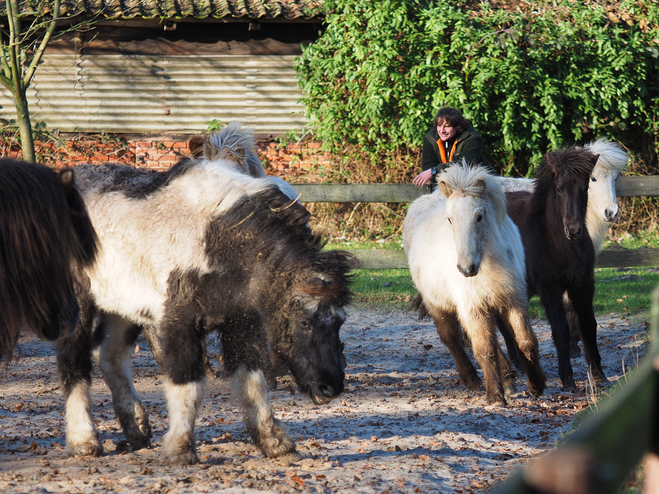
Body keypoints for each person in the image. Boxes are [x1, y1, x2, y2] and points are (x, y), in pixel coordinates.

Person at [413, 107, 492, 189]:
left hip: (479, 184)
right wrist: (440, 177)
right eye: (439, 126)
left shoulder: (472, 138)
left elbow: (465, 165)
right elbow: (428, 168)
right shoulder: (430, 139)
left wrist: (435, 170)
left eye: (446, 126)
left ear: (457, 127)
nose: (442, 130)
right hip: (446, 185)